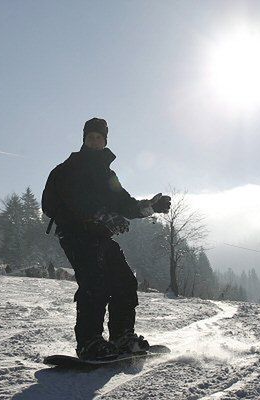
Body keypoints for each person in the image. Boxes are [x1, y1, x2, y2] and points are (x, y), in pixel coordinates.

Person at [42, 117, 171, 361]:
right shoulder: (69, 168)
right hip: (75, 234)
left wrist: (150, 207)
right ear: (84, 140)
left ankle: (122, 336)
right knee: (95, 283)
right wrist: (99, 215)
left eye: (98, 137)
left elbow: (124, 203)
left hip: (100, 237)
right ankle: (89, 342)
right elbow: (54, 203)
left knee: (124, 281)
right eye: (90, 137)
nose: (94, 141)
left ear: (105, 141)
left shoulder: (107, 174)